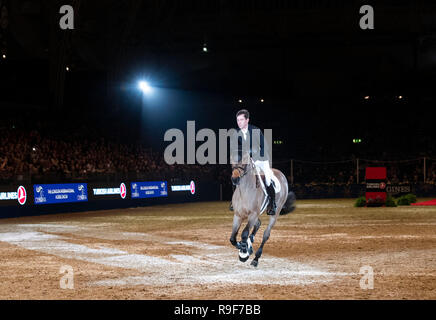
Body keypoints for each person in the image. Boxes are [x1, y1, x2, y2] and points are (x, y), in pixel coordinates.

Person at [229, 109, 277, 215]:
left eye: (241, 120)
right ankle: (235, 201)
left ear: (247, 120)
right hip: (247, 160)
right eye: (237, 120)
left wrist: (255, 158)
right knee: (238, 175)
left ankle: (272, 204)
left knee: (268, 179)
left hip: (261, 158)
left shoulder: (255, 130)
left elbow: (265, 146)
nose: (239, 122)